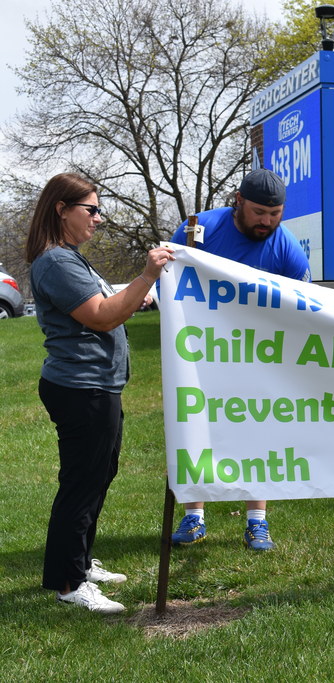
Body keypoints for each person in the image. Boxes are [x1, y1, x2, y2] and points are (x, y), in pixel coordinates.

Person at [27, 173, 176, 613]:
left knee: (97, 476)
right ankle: (70, 583)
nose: (98, 218)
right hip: (81, 389)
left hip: (97, 387)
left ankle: (80, 562)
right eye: (90, 210)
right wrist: (148, 273)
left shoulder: (71, 258)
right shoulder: (56, 262)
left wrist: (142, 292)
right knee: (81, 483)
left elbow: (113, 301)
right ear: (61, 209)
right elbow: (101, 316)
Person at [168, 168, 311, 551]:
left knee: (258, 432)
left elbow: (303, 309)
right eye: (259, 212)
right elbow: (167, 275)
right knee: (193, 427)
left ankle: (256, 522)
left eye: (275, 213)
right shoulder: (199, 229)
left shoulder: (287, 250)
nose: (267, 221)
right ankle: (194, 517)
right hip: (199, 351)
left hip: (258, 356)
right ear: (238, 200)